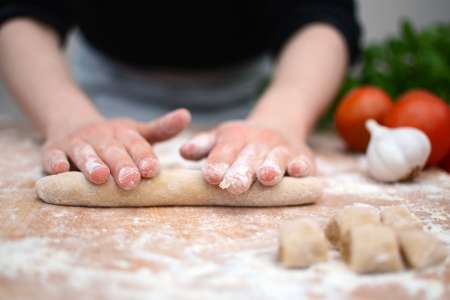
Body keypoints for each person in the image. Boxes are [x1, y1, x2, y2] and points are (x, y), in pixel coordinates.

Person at [0, 1, 360, 194]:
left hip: (251, 106)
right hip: (95, 98)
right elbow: (20, 10)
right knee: (100, 165)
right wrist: (67, 117)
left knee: (255, 167)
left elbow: (321, 14)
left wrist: (282, 118)